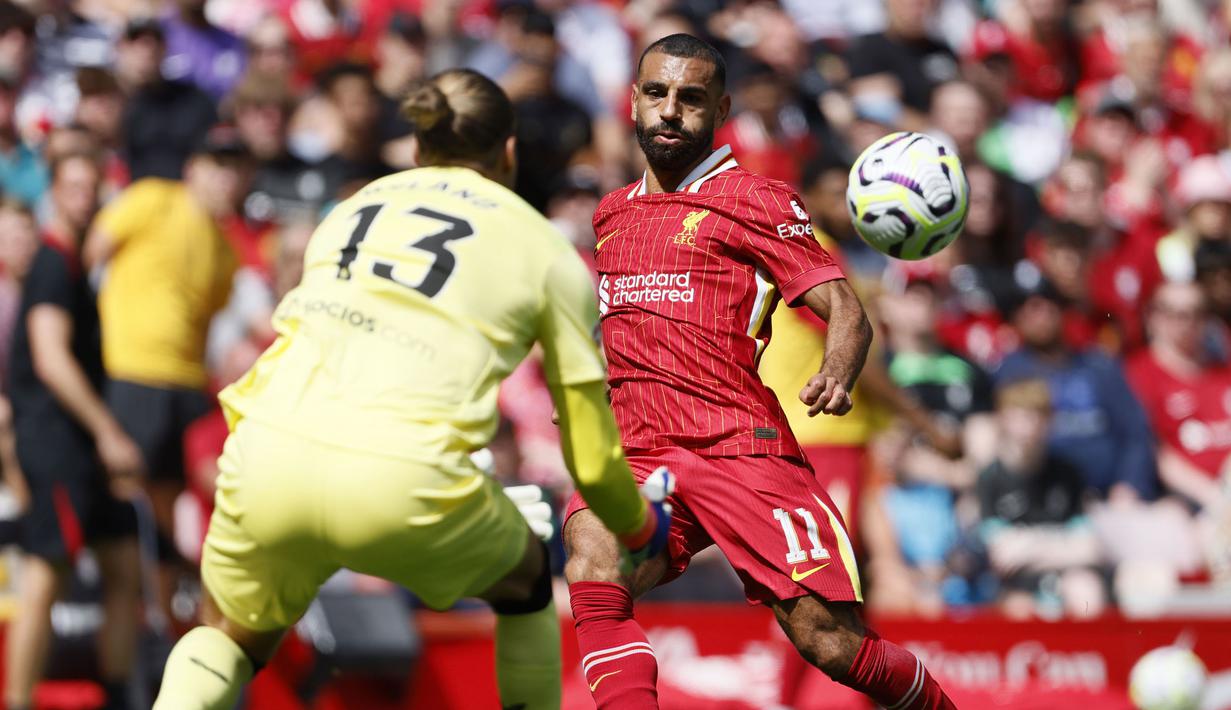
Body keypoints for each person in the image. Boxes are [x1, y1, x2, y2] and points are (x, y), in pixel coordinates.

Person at [152, 68, 669, 710]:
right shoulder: (548, 251)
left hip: (266, 455)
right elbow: (590, 457)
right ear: (508, 151)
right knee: (528, 584)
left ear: (419, 148)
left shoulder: (349, 210)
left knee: (229, 637)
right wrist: (642, 525)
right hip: (403, 480)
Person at [564, 34, 955, 710]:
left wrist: (836, 372)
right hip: (640, 450)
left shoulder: (759, 201)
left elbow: (846, 312)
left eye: (689, 98)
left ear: (719, 110)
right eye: (655, 93)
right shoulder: (611, 214)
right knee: (594, 566)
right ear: (632, 101)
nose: (669, 110)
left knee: (830, 644)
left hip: (739, 449)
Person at [83, 127, 248, 627]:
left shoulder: (225, 250)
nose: (224, 177)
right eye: (216, 163)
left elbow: (209, 316)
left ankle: (159, 620)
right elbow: (93, 253)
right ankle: (126, 610)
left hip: (185, 384)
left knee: (171, 501)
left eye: (234, 168)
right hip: (133, 370)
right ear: (193, 166)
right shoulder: (153, 199)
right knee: (125, 494)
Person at [4, 151, 144, 710]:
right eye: (74, 187)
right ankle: (16, 700)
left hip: (81, 448)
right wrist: (108, 430)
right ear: (55, 193)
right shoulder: (51, 265)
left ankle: (117, 694)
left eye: (94, 188)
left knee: (124, 566)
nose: (85, 198)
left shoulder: (74, 267)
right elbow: (49, 357)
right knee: (45, 576)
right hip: (58, 444)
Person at [976, 378, 1105, 619]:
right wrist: (1061, 542)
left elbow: (1089, 548)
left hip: (1063, 574)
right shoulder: (991, 479)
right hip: (1013, 586)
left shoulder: (1067, 474)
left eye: (1036, 417)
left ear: (1049, 421)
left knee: (1086, 590)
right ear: (1003, 420)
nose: (1028, 427)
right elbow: (1001, 555)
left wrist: (1027, 544)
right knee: (1019, 608)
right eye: (1019, 417)